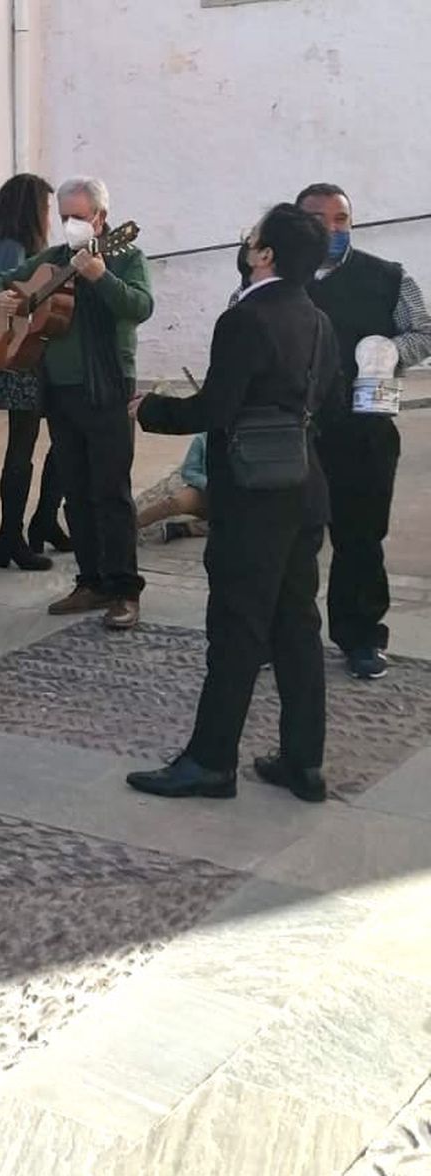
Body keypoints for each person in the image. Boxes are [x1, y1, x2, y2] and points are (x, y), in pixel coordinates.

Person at [125, 204, 339, 802]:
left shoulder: (245, 319)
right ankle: (304, 761)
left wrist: (151, 409)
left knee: (237, 629)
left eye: (253, 237)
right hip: (303, 486)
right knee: (297, 627)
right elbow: (328, 397)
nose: (246, 243)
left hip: (253, 496)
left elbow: (217, 408)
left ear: (265, 255)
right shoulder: (318, 319)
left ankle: (211, 761)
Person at [0, 176, 154, 630]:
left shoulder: (126, 256)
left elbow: (140, 306)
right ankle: (91, 580)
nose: (71, 225)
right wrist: (1, 298)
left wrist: (101, 277)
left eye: (79, 216)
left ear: (101, 217)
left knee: (111, 492)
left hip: (107, 386)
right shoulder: (55, 259)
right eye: (64, 217)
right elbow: (0, 280)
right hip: (58, 389)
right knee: (75, 490)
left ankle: (124, 589)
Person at [297, 183, 431, 680]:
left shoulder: (388, 277)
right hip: (295, 432)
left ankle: (361, 637)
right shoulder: (273, 276)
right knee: (291, 541)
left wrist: (391, 353)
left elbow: (424, 329)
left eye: (341, 220)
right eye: (319, 220)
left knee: (360, 539)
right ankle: (284, 634)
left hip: (364, 429)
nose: (332, 229)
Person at [0, 172, 69, 571]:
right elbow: (12, 302)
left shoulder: (7, 241)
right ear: (31, 209)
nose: (49, 214)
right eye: (45, 206)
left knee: (52, 439)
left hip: (25, 352)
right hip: (18, 354)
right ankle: (11, 535)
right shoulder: (14, 245)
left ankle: (40, 522)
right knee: (22, 447)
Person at [137, 434, 209, 540]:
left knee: (230, 525)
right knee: (174, 502)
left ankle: (186, 529)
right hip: (204, 492)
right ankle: (132, 525)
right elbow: (188, 472)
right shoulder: (202, 439)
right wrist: (210, 484)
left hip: (231, 501)